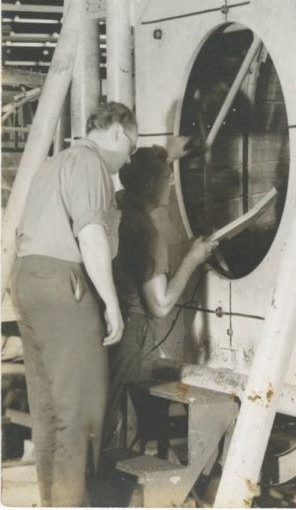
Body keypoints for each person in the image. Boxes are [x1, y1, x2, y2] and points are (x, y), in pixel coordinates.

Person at [10, 101, 137, 507]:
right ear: (119, 132)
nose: (129, 158)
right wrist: (110, 303)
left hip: (27, 280)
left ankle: (53, 502)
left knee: (49, 410)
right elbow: (92, 235)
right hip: (63, 283)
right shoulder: (90, 164)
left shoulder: (54, 163)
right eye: (132, 147)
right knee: (81, 410)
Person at [104, 146, 216, 447]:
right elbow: (160, 305)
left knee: (104, 410)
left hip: (105, 325)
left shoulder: (119, 205)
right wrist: (192, 260)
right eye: (169, 178)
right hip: (131, 333)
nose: (173, 184)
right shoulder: (149, 234)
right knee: (116, 419)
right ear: (152, 185)